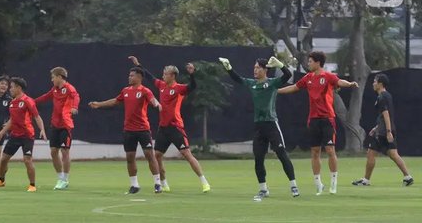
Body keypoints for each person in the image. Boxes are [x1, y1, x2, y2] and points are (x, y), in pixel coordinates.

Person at [219, 56, 299, 201]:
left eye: (258, 68)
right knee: (258, 159)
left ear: (265, 70)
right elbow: (238, 79)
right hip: (259, 127)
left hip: (271, 124)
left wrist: (280, 65)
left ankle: (293, 185)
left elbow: (287, 75)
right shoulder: (252, 84)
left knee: (281, 154)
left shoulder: (273, 83)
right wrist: (229, 68)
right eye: (254, 68)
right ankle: (263, 189)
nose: (255, 70)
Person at [278, 51, 358, 195]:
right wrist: (276, 91)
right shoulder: (307, 78)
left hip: (327, 118)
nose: (308, 64)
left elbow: (339, 81)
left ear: (317, 62)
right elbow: (294, 87)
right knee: (315, 152)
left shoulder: (327, 76)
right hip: (313, 120)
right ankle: (318, 184)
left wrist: (350, 84)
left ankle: (333, 183)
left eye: (310, 61)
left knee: (330, 150)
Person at [128, 56, 210, 193]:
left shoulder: (179, 89)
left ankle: (204, 182)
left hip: (176, 127)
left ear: (173, 75)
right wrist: (138, 64)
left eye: (165, 74)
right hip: (163, 128)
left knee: (187, 154)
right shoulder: (161, 86)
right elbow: (149, 76)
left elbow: (193, 86)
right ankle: (164, 183)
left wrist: (192, 74)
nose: (163, 76)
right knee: (157, 156)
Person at [88, 67, 163, 194]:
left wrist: (157, 104)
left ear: (139, 77)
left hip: (143, 129)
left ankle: (157, 183)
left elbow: (153, 100)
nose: (129, 77)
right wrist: (99, 104)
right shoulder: (125, 91)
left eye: (132, 75)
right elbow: (115, 101)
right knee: (130, 157)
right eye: (129, 75)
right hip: (129, 130)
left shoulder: (145, 91)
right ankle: (134, 185)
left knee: (149, 155)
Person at [352, 73, 414, 187]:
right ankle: (408, 176)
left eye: (375, 81)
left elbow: (386, 114)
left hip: (383, 132)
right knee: (393, 154)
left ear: (380, 84)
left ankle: (366, 180)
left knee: (371, 153)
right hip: (384, 129)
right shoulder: (387, 95)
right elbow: (385, 115)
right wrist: (376, 128)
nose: (373, 83)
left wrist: (388, 131)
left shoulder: (382, 97)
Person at [0, 77, 47, 192]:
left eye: (12, 87)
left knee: (27, 160)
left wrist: (42, 129)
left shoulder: (28, 101)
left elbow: (37, 116)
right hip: (15, 135)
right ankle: (1, 181)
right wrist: (0, 133)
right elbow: (12, 121)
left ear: (19, 88)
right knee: (3, 159)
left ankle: (32, 185)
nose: (10, 89)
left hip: (27, 136)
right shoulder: (12, 102)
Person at [36, 67, 80, 190]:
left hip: (65, 126)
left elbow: (76, 96)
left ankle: (65, 179)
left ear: (60, 77)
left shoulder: (69, 88)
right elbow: (45, 97)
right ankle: (60, 177)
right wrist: (32, 102)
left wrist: (75, 107)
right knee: (53, 151)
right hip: (55, 125)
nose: (52, 80)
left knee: (65, 151)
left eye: (53, 77)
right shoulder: (54, 90)